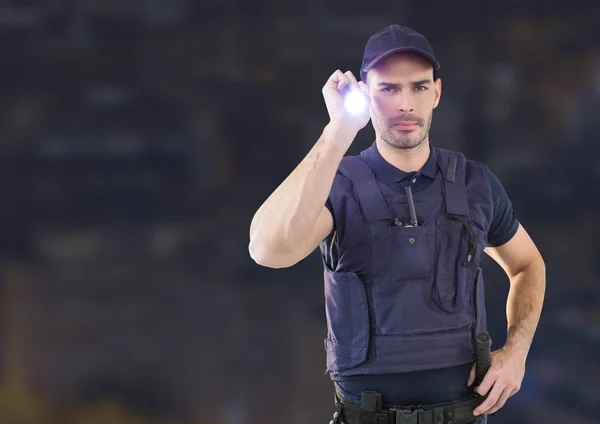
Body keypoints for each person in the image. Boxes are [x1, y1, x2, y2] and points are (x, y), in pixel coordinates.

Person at [248, 24, 546, 424]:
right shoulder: (334, 185)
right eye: (388, 89)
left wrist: (517, 352)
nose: (405, 104)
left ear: (436, 93)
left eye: (419, 88)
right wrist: (337, 132)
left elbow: (528, 265)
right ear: (366, 95)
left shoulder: (475, 183)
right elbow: (268, 251)